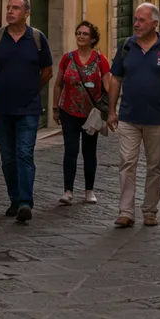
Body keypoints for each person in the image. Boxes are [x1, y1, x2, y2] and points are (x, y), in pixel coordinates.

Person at [107, 3, 160, 228]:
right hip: (128, 117)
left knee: (154, 166)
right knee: (127, 163)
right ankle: (126, 212)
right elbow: (115, 79)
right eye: (135, 19)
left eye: (141, 20)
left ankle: (150, 210)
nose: (136, 24)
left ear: (154, 23)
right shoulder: (125, 46)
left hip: (157, 119)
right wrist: (112, 110)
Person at [0, 0, 53, 223]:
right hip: (2, 108)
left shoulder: (36, 38)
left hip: (28, 108)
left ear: (26, 13)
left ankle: (25, 202)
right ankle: (14, 198)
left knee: (24, 154)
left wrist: (32, 90)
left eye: (15, 8)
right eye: (8, 7)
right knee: (7, 158)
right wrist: (2, 87)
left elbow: (47, 72)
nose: (10, 11)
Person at [52, 20, 111, 206]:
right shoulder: (68, 58)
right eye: (78, 33)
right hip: (68, 111)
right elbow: (58, 84)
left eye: (85, 34)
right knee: (70, 150)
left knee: (89, 151)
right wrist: (55, 108)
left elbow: (109, 88)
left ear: (92, 38)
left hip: (91, 114)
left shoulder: (101, 60)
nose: (80, 36)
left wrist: (109, 110)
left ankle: (89, 190)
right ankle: (68, 191)